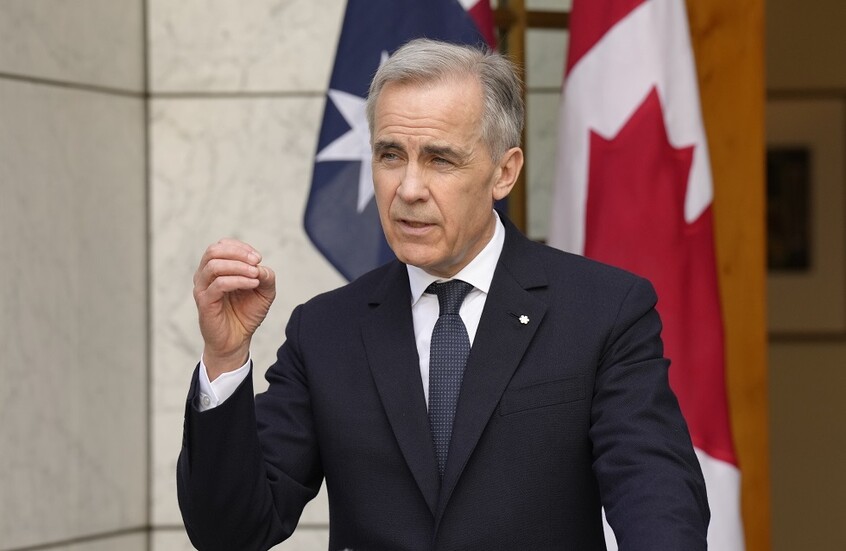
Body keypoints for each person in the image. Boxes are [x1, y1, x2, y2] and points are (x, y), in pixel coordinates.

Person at [178, 38, 709, 550]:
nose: (408, 189)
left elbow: (658, 504)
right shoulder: (325, 330)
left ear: (504, 172)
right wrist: (225, 358)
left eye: (440, 159)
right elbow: (233, 533)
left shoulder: (602, 311)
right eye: (390, 155)